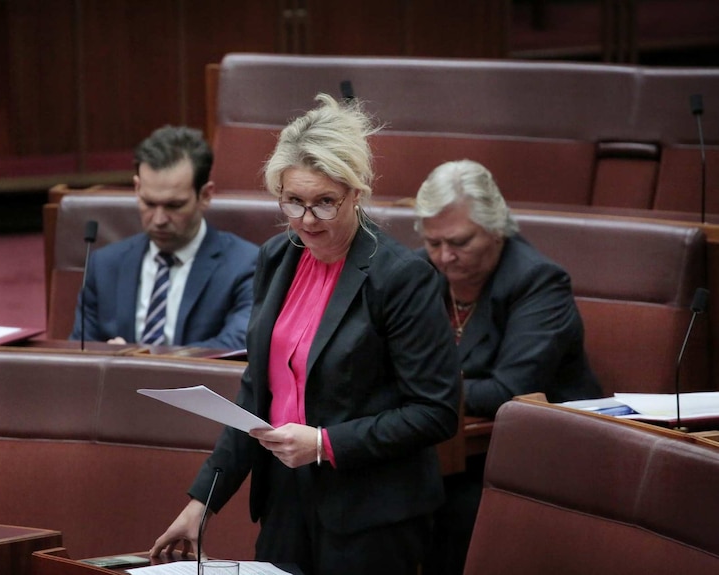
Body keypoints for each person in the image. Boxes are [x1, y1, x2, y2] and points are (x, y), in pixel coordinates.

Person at [149, 94, 461, 575]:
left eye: (324, 203)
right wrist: (201, 504)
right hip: (285, 505)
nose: (306, 220)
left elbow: (435, 412)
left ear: (357, 194)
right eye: (293, 201)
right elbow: (257, 394)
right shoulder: (277, 258)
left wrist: (324, 443)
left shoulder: (401, 277)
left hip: (371, 517)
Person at [414, 158, 603, 575]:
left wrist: (421, 387)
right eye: (432, 243)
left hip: (533, 456)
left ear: (496, 228)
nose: (444, 257)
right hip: (445, 443)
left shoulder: (539, 282)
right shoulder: (418, 272)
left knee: (443, 509)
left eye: (460, 242)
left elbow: (507, 391)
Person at [69, 126, 258, 350]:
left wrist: (145, 360)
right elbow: (80, 349)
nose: (158, 219)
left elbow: (236, 346)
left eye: (174, 205)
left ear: (205, 195)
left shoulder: (245, 265)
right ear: (137, 188)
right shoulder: (105, 265)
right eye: (149, 203)